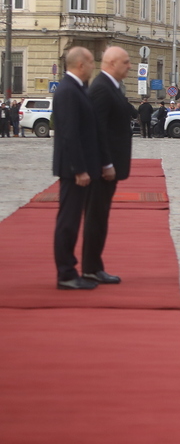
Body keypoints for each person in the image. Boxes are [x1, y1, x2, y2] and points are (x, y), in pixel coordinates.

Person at [51, 46, 103, 290]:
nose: (94, 66)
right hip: (73, 169)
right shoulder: (68, 91)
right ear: (80, 65)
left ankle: (69, 270)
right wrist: (79, 169)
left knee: (72, 220)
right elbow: (70, 135)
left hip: (79, 167)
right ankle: (66, 273)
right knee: (68, 221)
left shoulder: (77, 89)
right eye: (92, 62)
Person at [85, 46, 133, 286]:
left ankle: (94, 266)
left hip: (110, 165)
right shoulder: (102, 88)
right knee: (96, 217)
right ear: (112, 63)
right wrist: (106, 163)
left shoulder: (112, 86)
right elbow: (98, 130)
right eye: (125, 62)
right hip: (103, 168)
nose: (130, 66)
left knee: (100, 217)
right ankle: (91, 268)